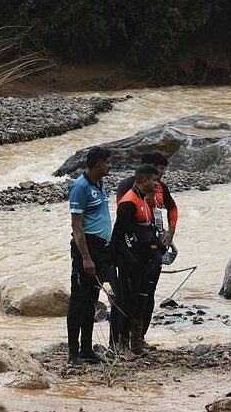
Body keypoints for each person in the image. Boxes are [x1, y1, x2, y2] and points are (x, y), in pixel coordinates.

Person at [116, 151, 179, 344]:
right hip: (134, 252)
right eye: (159, 171)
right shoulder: (130, 190)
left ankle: (139, 338)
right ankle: (119, 341)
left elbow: (172, 208)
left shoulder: (158, 188)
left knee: (148, 294)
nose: (161, 178)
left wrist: (170, 232)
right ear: (146, 178)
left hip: (154, 249)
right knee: (128, 297)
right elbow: (123, 226)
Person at [66, 146, 113, 366]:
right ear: (97, 165)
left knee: (92, 302)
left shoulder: (100, 184)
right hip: (86, 248)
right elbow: (77, 227)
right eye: (107, 162)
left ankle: (87, 349)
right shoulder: (80, 187)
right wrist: (85, 258)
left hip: (101, 248)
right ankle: (73, 354)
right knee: (78, 301)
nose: (110, 166)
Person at [111, 164, 163, 355]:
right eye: (154, 180)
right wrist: (128, 262)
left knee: (142, 301)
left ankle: (137, 343)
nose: (157, 183)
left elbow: (148, 230)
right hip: (130, 263)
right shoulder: (129, 203)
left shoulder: (144, 200)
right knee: (127, 302)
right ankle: (122, 345)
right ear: (144, 181)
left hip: (144, 262)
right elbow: (117, 237)